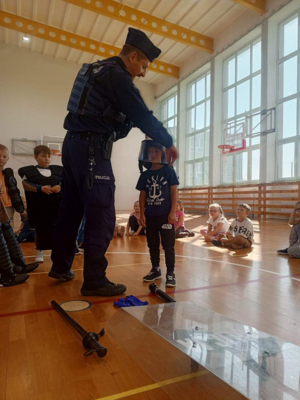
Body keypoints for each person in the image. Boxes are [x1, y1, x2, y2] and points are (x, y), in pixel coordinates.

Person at [48, 27, 178, 297]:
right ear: (132, 57)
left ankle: (60, 266)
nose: (143, 73)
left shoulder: (96, 70)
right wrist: (167, 141)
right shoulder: (117, 76)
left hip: (72, 144)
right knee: (102, 212)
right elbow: (142, 114)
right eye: (143, 65)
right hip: (93, 148)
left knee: (71, 208)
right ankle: (94, 279)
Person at [137, 140, 179, 287]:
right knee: (152, 244)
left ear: (162, 153)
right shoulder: (145, 175)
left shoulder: (169, 171)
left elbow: (174, 193)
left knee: (168, 245)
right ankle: (155, 269)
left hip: (166, 216)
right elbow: (142, 195)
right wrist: (142, 214)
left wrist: (173, 211)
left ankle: (170, 273)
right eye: (150, 152)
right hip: (151, 216)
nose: (153, 154)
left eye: (156, 151)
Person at [18, 145, 63, 263]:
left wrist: (60, 187)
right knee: (40, 230)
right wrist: (40, 188)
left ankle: (56, 252)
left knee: (56, 230)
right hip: (39, 207)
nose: (47, 159)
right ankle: (40, 251)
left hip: (56, 207)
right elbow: (25, 184)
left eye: (49, 156)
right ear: (35, 157)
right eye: (43, 156)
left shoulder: (58, 171)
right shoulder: (29, 171)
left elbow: (66, 182)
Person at [0, 144, 24, 229]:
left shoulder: (8, 174)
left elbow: (14, 191)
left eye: (4, 156)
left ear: (8, 158)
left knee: (9, 230)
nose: (1, 158)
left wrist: (20, 207)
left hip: (8, 206)